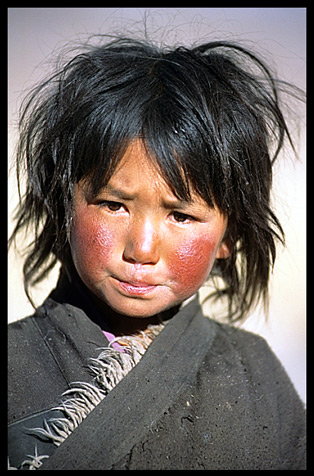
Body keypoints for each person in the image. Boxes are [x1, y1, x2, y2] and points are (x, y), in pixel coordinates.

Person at [8, 36, 306, 470]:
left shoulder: (254, 373)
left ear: (229, 236)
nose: (142, 249)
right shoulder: (15, 365)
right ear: (63, 204)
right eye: (113, 206)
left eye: (181, 216)